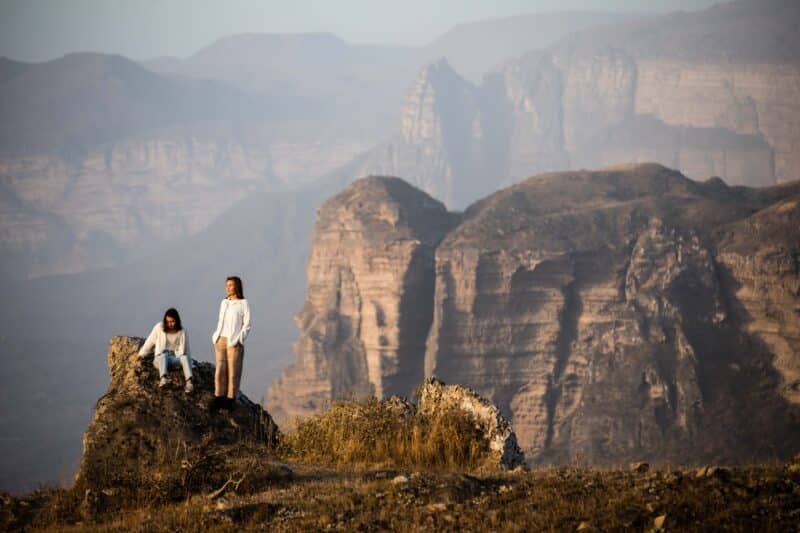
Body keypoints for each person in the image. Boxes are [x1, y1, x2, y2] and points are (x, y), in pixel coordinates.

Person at [210, 276, 251, 411]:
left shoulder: (243, 303)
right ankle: (218, 397)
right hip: (221, 339)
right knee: (220, 369)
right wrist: (216, 335)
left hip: (234, 341)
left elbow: (247, 325)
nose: (227, 288)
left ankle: (230, 398)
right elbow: (220, 320)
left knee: (233, 372)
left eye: (230, 285)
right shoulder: (224, 302)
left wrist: (239, 339)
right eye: (226, 285)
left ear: (237, 287)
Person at [135, 308, 194, 393]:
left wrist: (189, 362)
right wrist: (141, 354)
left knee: (184, 358)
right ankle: (164, 379)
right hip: (160, 359)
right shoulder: (159, 327)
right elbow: (150, 341)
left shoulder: (182, 331)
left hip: (174, 358)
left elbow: (186, 349)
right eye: (168, 321)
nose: (170, 324)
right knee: (163, 355)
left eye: (172, 321)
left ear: (177, 321)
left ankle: (189, 383)